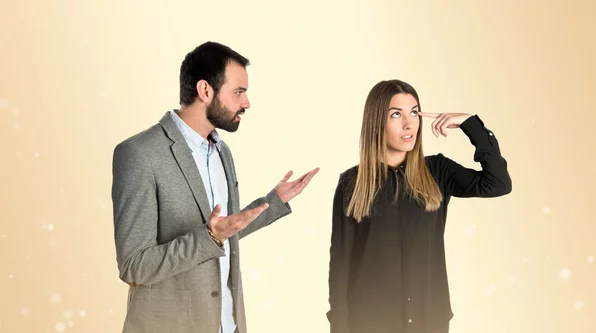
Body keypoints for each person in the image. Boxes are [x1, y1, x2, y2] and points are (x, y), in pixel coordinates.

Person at [111, 41, 319, 333]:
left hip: (227, 325)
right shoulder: (140, 154)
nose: (246, 103)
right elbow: (135, 266)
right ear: (205, 90)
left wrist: (273, 202)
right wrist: (209, 236)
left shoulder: (222, 152)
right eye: (238, 92)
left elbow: (225, 230)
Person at [327, 79, 512, 333]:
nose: (409, 123)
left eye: (414, 112)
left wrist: (472, 125)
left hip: (429, 320)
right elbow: (340, 265)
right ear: (376, 122)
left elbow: (498, 183)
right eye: (396, 114)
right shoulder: (352, 183)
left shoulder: (438, 171)